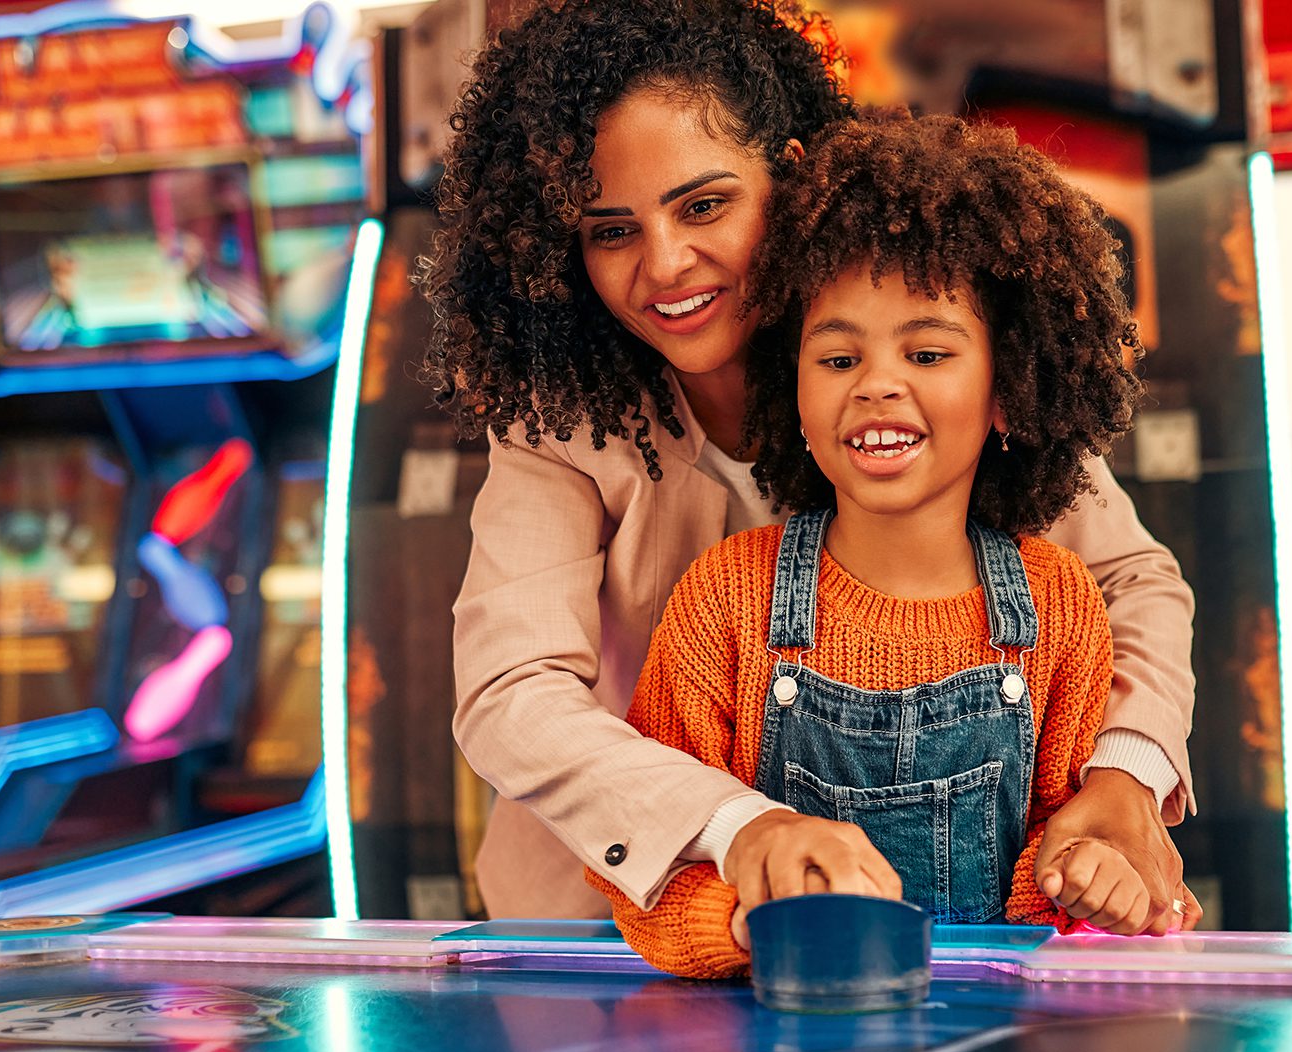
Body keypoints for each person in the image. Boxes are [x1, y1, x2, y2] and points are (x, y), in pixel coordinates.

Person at [422, 0, 1200, 936]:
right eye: (611, 230)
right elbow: (512, 694)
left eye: (703, 205)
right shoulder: (559, 423)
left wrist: (1124, 772)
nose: (665, 264)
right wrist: (742, 829)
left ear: (788, 178)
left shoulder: (908, 361)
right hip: (611, 927)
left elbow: (1134, 580)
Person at [587, 113, 1165, 976]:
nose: (878, 385)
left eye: (928, 353)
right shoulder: (724, 600)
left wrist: (1088, 880)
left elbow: (1062, 837)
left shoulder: (1063, 607)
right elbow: (651, 873)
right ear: (793, 398)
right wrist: (748, 921)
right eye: (837, 359)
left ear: (1010, 392)